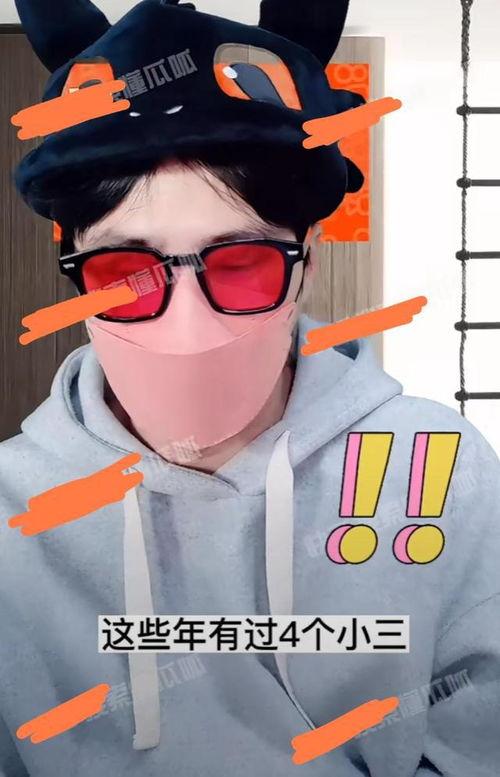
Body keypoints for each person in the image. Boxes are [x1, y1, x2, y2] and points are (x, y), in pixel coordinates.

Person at [1, 1, 499, 775]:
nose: (189, 326)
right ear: (72, 264)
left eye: (241, 265)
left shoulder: (438, 465)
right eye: (125, 273)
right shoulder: (10, 512)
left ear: (308, 259)